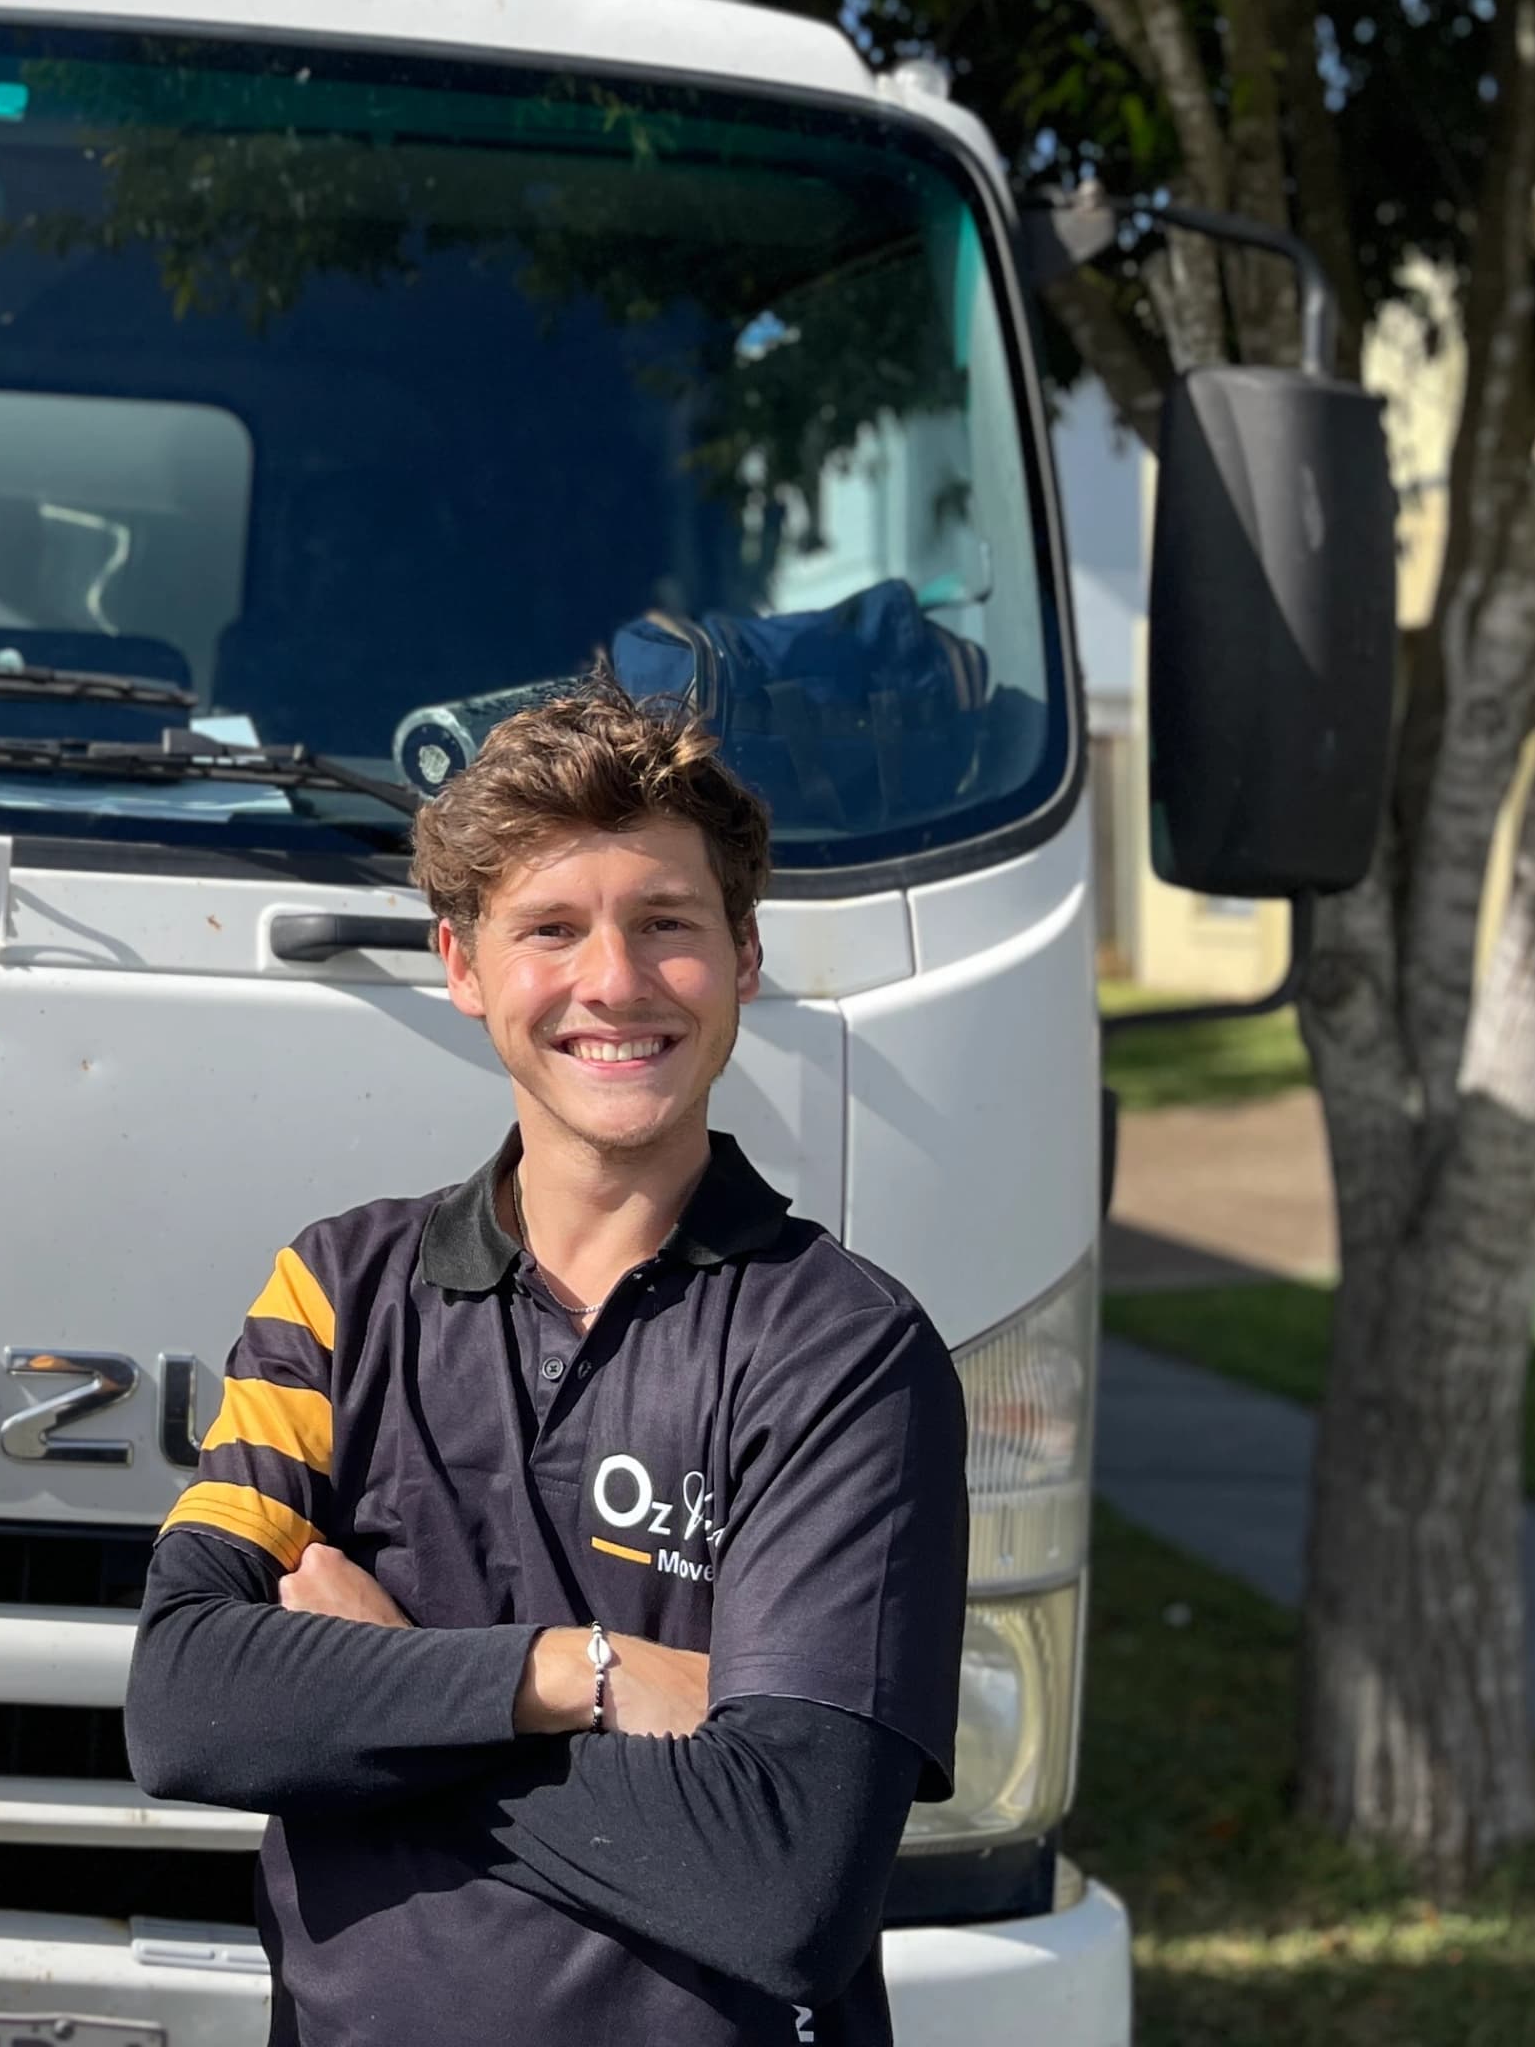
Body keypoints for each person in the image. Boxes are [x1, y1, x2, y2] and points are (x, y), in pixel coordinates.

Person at [124, 685, 966, 2045]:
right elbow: (186, 1706)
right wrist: (573, 1675)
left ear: (745, 957)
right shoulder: (336, 1291)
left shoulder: (845, 1350)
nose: (615, 983)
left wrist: (391, 1684)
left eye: (667, 926)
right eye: (552, 931)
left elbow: (784, 1879)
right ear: (462, 967)